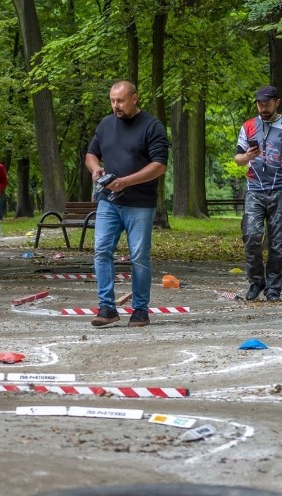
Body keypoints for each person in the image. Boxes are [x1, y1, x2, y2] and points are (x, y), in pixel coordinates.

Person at [85, 80, 169, 328]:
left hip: (140, 204)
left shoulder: (152, 126)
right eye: (112, 100)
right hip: (108, 201)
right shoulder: (106, 124)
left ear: (135, 98)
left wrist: (126, 182)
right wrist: (95, 168)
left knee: (139, 257)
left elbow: (159, 165)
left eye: (120, 100)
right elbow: (91, 153)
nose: (115, 105)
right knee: (101, 250)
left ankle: (140, 310)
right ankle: (107, 307)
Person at [234, 85, 282, 302]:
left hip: (280, 190)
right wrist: (247, 157)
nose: (263, 108)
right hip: (255, 190)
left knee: (277, 242)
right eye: (259, 104)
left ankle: (274, 288)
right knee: (251, 236)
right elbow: (238, 159)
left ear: (277, 102)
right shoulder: (249, 126)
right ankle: (256, 281)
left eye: (267, 104)